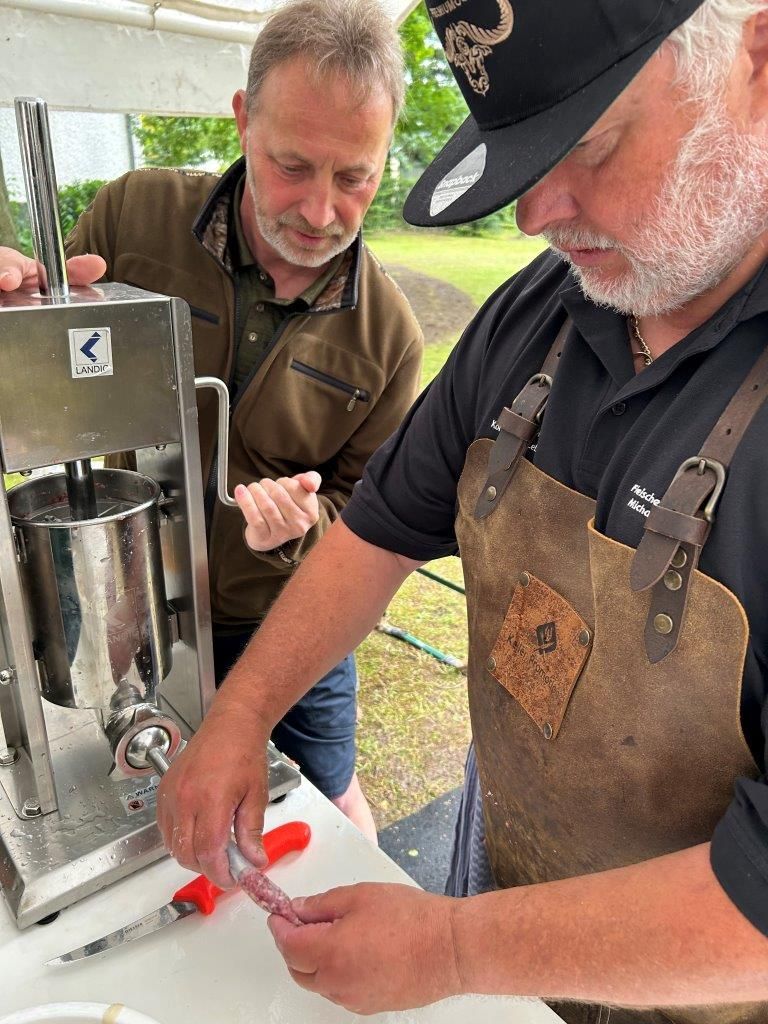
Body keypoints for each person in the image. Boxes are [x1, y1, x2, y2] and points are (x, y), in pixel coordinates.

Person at [158, 0, 768, 1020]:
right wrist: (239, 715)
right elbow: (375, 534)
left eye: (590, 144)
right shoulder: (539, 315)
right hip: (519, 953)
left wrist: (447, 945)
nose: (534, 214)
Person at [0, 0, 424, 842]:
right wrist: (22, 314)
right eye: (292, 163)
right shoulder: (134, 217)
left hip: (285, 617)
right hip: (131, 604)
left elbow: (367, 516)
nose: (317, 210)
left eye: (355, 177)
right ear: (242, 119)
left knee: (327, 802)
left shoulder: (391, 336)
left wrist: (305, 525)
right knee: (139, 801)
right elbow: (53, 372)